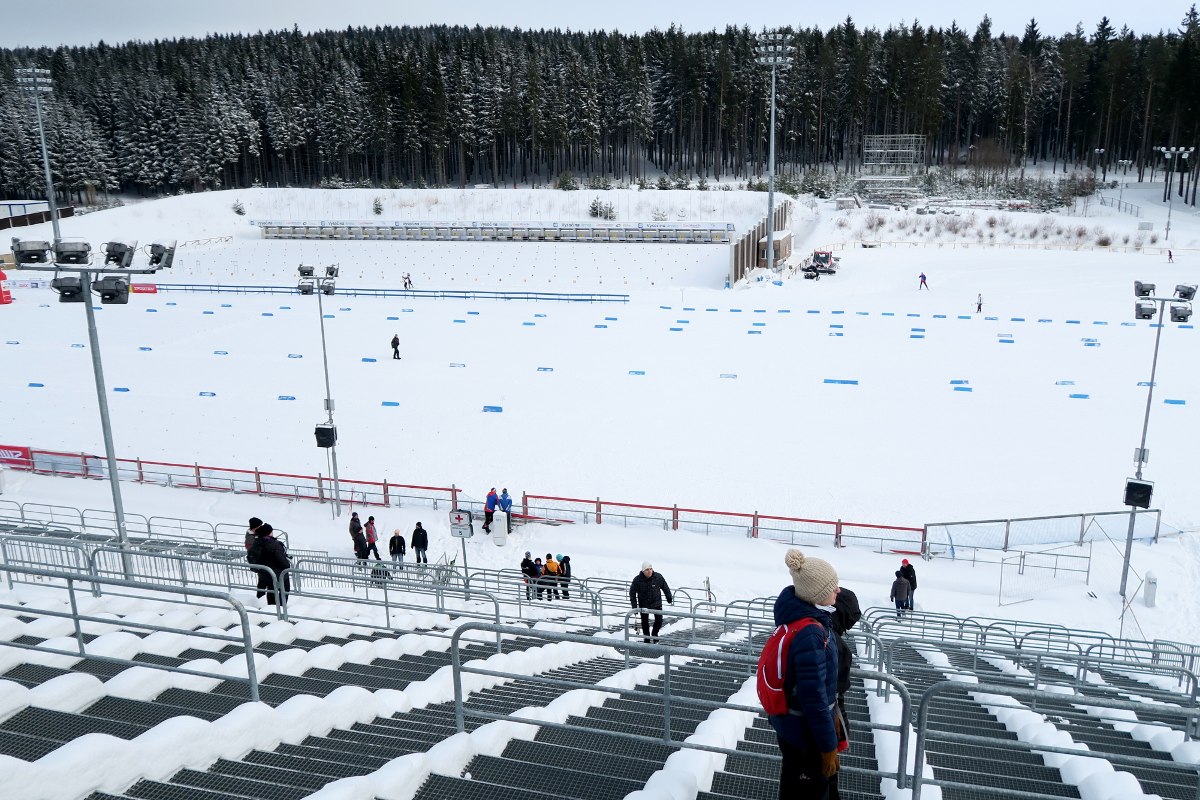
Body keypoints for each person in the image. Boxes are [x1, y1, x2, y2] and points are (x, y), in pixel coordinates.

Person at [769, 549, 842, 799]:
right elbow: (813, 699)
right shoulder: (811, 633)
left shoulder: (801, 619)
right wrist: (828, 745)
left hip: (793, 727)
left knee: (793, 784)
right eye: (833, 586)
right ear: (817, 594)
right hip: (805, 734)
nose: (838, 590)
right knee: (808, 791)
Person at [828, 586, 862, 800]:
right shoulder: (834, 644)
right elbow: (835, 696)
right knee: (823, 779)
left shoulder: (815, 628)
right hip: (819, 729)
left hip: (792, 723)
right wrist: (840, 734)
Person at [629, 561, 673, 643]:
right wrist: (634, 606)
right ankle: (647, 638)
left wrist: (669, 597)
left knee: (659, 621)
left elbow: (665, 587)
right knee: (645, 622)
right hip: (644, 604)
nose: (649, 571)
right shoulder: (637, 580)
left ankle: (654, 633)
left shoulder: (658, 577)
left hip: (657, 603)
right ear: (643, 571)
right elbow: (632, 593)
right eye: (647, 570)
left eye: (651, 569)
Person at [247, 523, 291, 606]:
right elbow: (282, 561)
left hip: (263, 573)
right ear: (269, 532)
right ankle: (281, 608)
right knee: (285, 590)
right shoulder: (275, 544)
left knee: (270, 591)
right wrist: (287, 566)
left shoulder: (256, 543)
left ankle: (270, 608)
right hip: (277, 574)